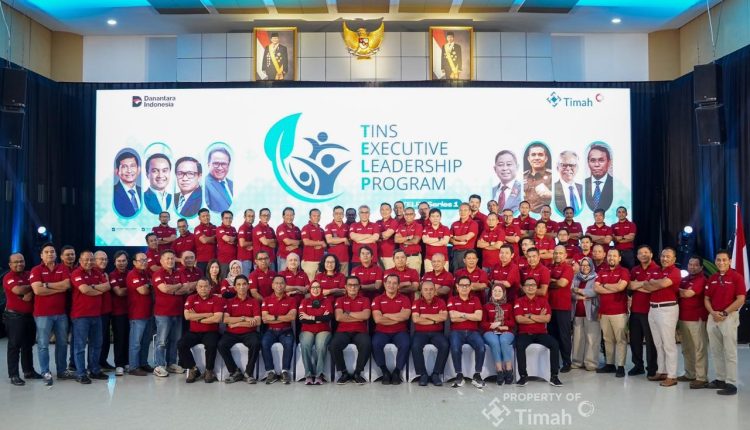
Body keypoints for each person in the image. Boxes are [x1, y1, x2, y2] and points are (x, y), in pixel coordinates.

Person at [636, 248, 682, 387]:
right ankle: (662, 371)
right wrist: (657, 283)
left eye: (668, 256)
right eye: (663, 256)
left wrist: (655, 283)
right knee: (658, 343)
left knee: (668, 344)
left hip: (667, 309)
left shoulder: (675, 271)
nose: (665, 259)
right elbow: (647, 285)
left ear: (674, 259)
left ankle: (672, 375)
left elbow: (661, 284)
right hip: (653, 309)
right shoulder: (656, 270)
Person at [29, 244, 74, 385]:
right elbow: (37, 290)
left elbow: (66, 285)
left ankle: (62, 371)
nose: (50, 254)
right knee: (43, 344)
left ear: (56, 254)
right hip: (43, 314)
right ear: (41, 255)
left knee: (62, 343)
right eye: (47, 252)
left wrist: (46, 285)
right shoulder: (36, 270)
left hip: (61, 314)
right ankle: (45, 371)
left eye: (52, 251)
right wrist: (57, 288)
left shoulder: (63, 268)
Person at [704, 249, 746, 395]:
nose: (721, 262)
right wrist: (712, 312)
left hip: (729, 317)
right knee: (715, 350)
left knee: (730, 351)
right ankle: (720, 379)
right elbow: (706, 298)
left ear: (729, 261)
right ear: (715, 261)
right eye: (718, 260)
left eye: (724, 260)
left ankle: (731, 383)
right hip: (713, 317)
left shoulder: (737, 277)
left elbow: (741, 299)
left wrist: (725, 312)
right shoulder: (712, 278)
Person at [69, 251, 110, 384]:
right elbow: (84, 290)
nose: (89, 262)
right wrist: (97, 289)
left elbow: (107, 286)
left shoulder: (97, 273)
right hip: (81, 316)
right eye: (86, 259)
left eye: (91, 260)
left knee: (96, 344)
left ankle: (94, 370)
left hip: (96, 315)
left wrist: (92, 287)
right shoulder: (76, 273)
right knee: (80, 346)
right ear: (80, 260)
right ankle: (80, 373)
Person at [514, 278, 563, 387]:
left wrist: (530, 316)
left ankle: (554, 376)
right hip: (524, 333)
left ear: (536, 288)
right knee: (519, 345)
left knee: (555, 344)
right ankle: (523, 376)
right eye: (528, 285)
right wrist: (539, 317)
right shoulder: (519, 301)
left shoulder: (543, 301)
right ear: (524, 288)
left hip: (541, 333)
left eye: (533, 285)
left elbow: (547, 319)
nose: (530, 287)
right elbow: (519, 319)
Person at [152, 250, 192, 377]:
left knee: (175, 340)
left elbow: (186, 288)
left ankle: (171, 363)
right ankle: (159, 365)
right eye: (167, 258)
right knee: (162, 341)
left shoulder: (179, 272)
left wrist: (172, 290)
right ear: (161, 261)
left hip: (177, 312)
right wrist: (178, 286)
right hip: (163, 313)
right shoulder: (157, 274)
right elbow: (163, 289)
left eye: (172, 258)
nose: (170, 261)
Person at [3, 253, 41, 386]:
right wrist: (32, 287)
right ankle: (13, 375)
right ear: (10, 264)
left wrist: (29, 290)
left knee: (28, 345)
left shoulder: (29, 274)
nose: (19, 264)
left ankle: (28, 371)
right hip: (14, 317)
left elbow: (37, 288)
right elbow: (18, 290)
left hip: (29, 316)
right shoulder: (8, 277)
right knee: (14, 346)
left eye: (21, 261)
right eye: (16, 262)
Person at [178, 278, 224, 383]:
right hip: (194, 332)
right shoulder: (191, 298)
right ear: (197, 288)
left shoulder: (217, 299)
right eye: (201, 286)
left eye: (206, 286)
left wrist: (197, 318)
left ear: (210, 287)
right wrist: (208, 315)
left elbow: (217, 318)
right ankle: (193, 368)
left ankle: (209, 370)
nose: (203, 289)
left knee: (211, 345)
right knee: (181, 344)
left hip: (211, 331)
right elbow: (187, 316)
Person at [218, 275, 261, 384]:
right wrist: (245, 319)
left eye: (244, 284)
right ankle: (234, 371)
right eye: (239, 284)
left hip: (249, 332)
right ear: (235, 287)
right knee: (221, 345)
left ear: (248, 286)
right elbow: (226, 319)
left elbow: (257, 321)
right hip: (231, 333)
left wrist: (236, 323)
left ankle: (248, 373)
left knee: (256, 343)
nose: (241, 287)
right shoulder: (229, 302)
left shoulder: (254, 302)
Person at [594, 249, 630, 377]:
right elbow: (596, 288)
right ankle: (610, 364)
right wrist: (612, 287)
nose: (611, 258)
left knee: (620, 340)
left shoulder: (624, 271)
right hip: (604, 312)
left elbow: (621, 287)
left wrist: (604, 285)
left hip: (619, 312)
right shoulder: (601, 271)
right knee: (607, 339)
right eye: (609, 255)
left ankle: (620, 366)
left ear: (619, 258)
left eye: (614, 256)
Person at [371, 274, 412, 385]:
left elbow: (405, 316)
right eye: (389, 282)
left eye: (394, 283)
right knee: (375, 344)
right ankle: (384, 371)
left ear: (398, 286)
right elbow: (378, 319)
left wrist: (386, 315)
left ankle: (396, 372)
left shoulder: (405, 299)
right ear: (384, 284)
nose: (391, 285)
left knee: (405, 344)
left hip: (400, 331)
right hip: (381, 331)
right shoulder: (377, 299)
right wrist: (398, 318)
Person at [626, 245, 660, 378]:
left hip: (650, 311)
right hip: (635, 310)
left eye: (646, 252)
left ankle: (652, 368)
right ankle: (638, 366)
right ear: (637, 256)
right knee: (635, 340)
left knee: (651, 342)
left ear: (651, 254)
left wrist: (638, 284)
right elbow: (630, 286)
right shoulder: (635, 269)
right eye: (640, 253)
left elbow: (653, 288)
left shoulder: (657, 269)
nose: (643, 255)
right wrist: (645, 283)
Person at [330, 276, 371, 385]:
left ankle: (357, 373)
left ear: (359, 287)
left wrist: (348, 313)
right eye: (350, 285)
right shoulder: (340, 300)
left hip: (360, 331)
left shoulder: (365, 300)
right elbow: (339, 317)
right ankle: (344, 373)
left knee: (366, 344)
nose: (353, 287)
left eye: (355, 285)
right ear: (345, 287)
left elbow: (366, 315)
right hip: (343, 331)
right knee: (333, 345)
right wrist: (358, 317)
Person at [448, 276, 486, 389]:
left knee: (481, 347)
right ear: (457, 287)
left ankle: (477, 375)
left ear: (470, 287)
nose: (464, 288)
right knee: (455, 348)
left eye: (467, 285)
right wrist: (470, 316)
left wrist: (461, 314)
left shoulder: (476, 300)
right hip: (456, 331)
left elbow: (478, 317)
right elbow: (453, 318)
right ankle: (459, 375)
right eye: (462, 285)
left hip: (473, 331)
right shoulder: (452, 299)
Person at [677, 255, 709, 388]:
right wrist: (681, 290)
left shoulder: (702, 280)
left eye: (696, 265)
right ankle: (690, 374)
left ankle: (701, 378)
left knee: (699, 348)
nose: (692, 267)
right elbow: (683, 292)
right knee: (686, 348)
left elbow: (688, 294)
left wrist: (675, 289)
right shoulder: (684, 279)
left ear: (701, 267)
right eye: (690, 264)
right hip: (683, 318)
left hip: (697, 319)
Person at [411, 281, 449, 386]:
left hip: (437, 332)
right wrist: (434, 320)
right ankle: (423, 374)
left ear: (435, 291)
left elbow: (443, 317)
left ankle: (436, 374)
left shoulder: (441, 302)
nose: (429, 292)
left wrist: (424, 316)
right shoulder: (416, 302)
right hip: (420, 332)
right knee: (415, 346)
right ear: (421, 291)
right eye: (426, 290)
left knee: (445, 345)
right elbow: (416, 319)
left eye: (431, 289)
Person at [260, 276, 296, 384]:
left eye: (281, 283)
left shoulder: (291, 300)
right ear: (272, 285)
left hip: (286, 330)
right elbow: (265, 319)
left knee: (289, 343)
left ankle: (285, 371)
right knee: (264, 343)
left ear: (285, 285)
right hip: (270, 330)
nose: (279, 285)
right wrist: (283, 317)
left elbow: (292, 317)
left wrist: (273, 318)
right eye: (276, 283)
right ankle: (271, 372)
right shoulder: (266, 300)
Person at [298, 281, 333, 385]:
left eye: (318, 287)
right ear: (310, 289)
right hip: (307, 330)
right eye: (313, 287)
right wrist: (319, 318)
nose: (315, 289)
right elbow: (302, 319)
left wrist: (310, 317)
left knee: (321, 346)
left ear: (321, 289)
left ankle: (319, 375)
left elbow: (328, 318)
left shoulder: (327, 301)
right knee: (305, 345)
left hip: (323, 330)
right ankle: (308, 374)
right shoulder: (305, 301)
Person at [126, 253, 153, 376]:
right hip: (137, 314)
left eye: (145, 260)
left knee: (146, 341)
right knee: (135, 343)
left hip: (148, 313)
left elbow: (150, 287)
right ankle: (133, 367)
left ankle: (143, 363)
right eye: (141, 260)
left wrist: (148, 286)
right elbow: (143, 291)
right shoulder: (132, 274)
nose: (144, 262)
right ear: (134, 262)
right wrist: (149, 286)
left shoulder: (147, 273)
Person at [570, 257, 600, 371]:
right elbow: (570, 291)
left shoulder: (596, 277)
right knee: (577, 339)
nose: (585, 267)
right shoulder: (575, 277)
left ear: (591, 266)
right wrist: (578, 296)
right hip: (577, 313)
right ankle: (577, 362)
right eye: (582, 265)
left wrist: (580, 291)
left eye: (587, 265)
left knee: (592, 338)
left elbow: (595, 291)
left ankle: (591, 363)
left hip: (591, 312)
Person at [548, 245, 574, 372]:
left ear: (565, 255)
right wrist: (555, 281)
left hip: (563, 307)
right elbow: (545, 282)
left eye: (560, 253)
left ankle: (567, 362)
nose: (557, 255)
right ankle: (555, 362)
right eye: (556, 253)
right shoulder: (549, 267)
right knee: (552, 336)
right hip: (549, 306)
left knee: (564, 336)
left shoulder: (568, 268)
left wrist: (551, 281)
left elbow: (562, 283)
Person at [482, 285, 515, 385]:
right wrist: (493, 325)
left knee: (504, 341)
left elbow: (512, 322)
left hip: (506, 331)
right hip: (490, 331)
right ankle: (499, 370)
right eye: (495, 291)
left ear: (504, 293)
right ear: (491, 292)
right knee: (495, 342)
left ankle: (508, 369)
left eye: (499, 291)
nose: (497, 293)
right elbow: (483, 324)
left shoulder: (509, 306)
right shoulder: (486, 306)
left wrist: (501, 323)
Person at [108, 250, 130, 376]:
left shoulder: (131, 274)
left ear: (127, 262)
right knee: (119, 339)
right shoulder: (112, 275)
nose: (121, 263)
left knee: (128, 338)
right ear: (114, 262)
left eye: (123, 261)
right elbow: (119, 292)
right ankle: (119, 364)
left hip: (131, 311)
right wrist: (134, 287)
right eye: (119, 261)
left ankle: (127, 362)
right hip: (118, 312)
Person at [93, 251, 115, 371]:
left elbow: (106, 288)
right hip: (97, 312)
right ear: (94, 260)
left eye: (106, 259)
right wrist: (104, 286)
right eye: (101, 259)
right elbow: (105, 288)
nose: (104, 261)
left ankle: (103, 361)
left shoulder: (104, 274)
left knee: (105, 339)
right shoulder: (93, 273)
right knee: (98, 340)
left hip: (107, 311)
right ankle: (96, 364)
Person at [523, 143, 552, 213]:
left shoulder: (553, 176)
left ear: (546, 158)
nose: (536, 158)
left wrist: (551, 194)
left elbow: (564, 197)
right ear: (529, 159)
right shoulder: (522, 177)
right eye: (533, 155)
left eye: (540, 155)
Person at [349, 205, 381, 269]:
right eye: (362, 212)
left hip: (372, 259)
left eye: (366, 212)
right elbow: (352, 236)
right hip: (357, 259)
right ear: (359, 214)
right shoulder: (353, 225)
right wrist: (368, 236)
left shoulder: (375, 225)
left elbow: (375, 238)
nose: (364, 214)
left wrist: (358, 240)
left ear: (369, 213)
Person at [584, 144, 614, 212]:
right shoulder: (583, 185)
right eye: (593, 160)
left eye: (601, 160)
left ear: (609, 162)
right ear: (588, 163)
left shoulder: (615, 184)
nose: (597, 164)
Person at [553, 151, 584, 216]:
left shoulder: (584, 189)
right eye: (563, 165)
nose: (568, 168)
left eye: (572, 165)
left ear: (577, 168)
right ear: (557, 168)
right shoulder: (552, 189)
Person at [450, 203, 478, 271]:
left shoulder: (473, 223)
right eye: (461, 210)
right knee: (456, 273)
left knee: (466, 274)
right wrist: (456, 242)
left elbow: (467, 237)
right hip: (455, 253)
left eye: (465, 210)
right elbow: (449, 238)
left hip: (467, 253)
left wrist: (454, 237)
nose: (462, 212)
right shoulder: (454, 224)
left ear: (469, 212)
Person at [113, 150, 142, 217]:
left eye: (132, 166)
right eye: (124, 166)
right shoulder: (111, 193)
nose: (129, 170)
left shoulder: (144, 193)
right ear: (117, 171)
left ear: (138, 170)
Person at [422, 208, 451, 272]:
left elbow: (445, 242)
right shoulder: (426, 228)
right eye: (433, 216)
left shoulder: (445, 228)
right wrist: (439, 239)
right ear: (429, 218)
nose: (435, 218)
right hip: (429, 259)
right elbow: (425, 240)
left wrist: (430, 241)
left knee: (444, 278)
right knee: (428, 278)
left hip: (443, 260)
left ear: (440, 217)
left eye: (437, 216)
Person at [204, 147, 233, 212]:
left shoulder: (232, 184)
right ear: (208, 164)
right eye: (216, 163)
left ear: (228, 165)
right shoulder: (204, 185)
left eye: (224, 164)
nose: (220, 168)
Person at [394, 207, 423, 271]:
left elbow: (415, 241)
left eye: (411, 214)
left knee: (415, 277)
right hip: (402, 258)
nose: (408, 216)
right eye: (406, 214)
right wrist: (409, 237)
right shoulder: (400, 226)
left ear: (414, 215)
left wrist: (402, 240)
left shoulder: (418, 226)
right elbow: (396, 240)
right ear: (404, 215)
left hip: (414, 257)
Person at [301, 208, 326, 281]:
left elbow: (325, 244)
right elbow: (306, 242)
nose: (316, 217)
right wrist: (320, 243)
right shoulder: (306, 228)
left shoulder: (321, 230)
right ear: (310, 217)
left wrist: (319, 244)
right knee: (310, 282)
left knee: (319, 283)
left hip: (320, 260)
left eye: (318, 216)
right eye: (314, 216)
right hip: (309, 261)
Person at [325, 206, 351, 275]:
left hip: (344, 259)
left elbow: (349, 243)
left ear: (343, 215)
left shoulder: (347, 227)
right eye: (336, 213)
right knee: (332, 279)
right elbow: (329, 240)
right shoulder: (329, 226)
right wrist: (343, 239)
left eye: (341, 213)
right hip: (332, 260)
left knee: (344, 279)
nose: (339, 215)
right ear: (333, 214)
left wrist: (336, 240)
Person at [276, 207, 302, 271]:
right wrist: (298, 243)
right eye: (287, 215)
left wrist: (296, 246)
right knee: (283, 276)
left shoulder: (297, 229)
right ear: (283, 216)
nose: (290, 217)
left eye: (291, 215)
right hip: (284, 258)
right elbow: (287, 241)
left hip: (296, 259)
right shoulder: (281, 227)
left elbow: (303, 242)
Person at [194, 208, 217, 273]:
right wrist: (214, 237)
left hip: (214, 260)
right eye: (203, 216)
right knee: (203, 279)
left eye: (207, 215)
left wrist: (208, 238)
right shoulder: (197, 228)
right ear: (199, 218)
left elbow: (218, 239)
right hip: (202, 261)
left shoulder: (215, 227)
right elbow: (204, 240)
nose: (206, 218)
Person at [377, 202, 399, 270]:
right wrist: (375, 236)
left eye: (387, 209)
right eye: (382, 209)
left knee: (390, 275)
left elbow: (386, 235)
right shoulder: (377, 222)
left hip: (390, 256)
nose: (384, 212)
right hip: (378, 255)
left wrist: (376, 235)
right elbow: (373, 237)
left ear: (391, 210)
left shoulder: (394, 222)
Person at [216, 210, 238, 276]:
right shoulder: (219, 228)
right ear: (222, 219)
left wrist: (233, 239)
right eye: (226, 218)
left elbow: (237, 240)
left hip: (234, 260)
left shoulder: (233, 229)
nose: (228, 220)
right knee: (224, 279)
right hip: (224, 261)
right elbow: (227, 238)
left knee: (234, 279)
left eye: (230, 218)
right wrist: (233, 238)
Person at [237, 209, 255, 276]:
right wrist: (254, 242)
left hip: (252, 259)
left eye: (252, 216)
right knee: (245, 279)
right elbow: (242, 243)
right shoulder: (243, 228)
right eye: (249, 216)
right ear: (244, 217)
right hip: (244, 259)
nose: (251, 218)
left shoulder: (252, 228)